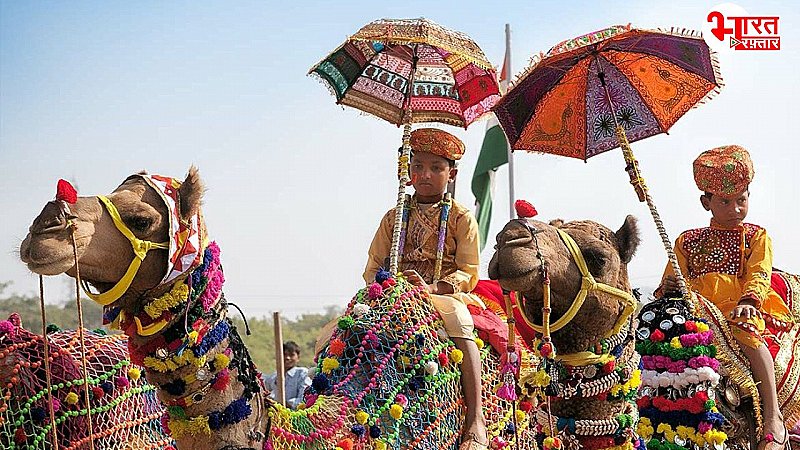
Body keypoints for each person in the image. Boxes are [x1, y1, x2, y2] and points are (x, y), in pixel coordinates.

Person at [659, 145, 794, 450]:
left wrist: (749, 302)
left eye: (741, 200)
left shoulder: (756, 236)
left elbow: (759, 273)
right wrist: (670, 292)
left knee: (747, 334)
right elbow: (671, 281)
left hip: (741, 311)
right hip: (697, 312)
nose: (734, 209)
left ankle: (773, 417)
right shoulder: (687, 241)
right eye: (724, 201)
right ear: (706, 202)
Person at [364, 128, 488, 450]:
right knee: (336, 332)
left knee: (460, 321)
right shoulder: (393, 218)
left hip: (443, 295)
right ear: (406, 170)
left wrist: (433, 286)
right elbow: (372, 267)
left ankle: (475, 420)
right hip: (393, 295)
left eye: (436, 167)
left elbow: (469, 270)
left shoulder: (462, 218)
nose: (425, 175)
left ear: (452, 173)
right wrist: (389, 284)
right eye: (417, 166)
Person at [263, 341, 311, 409]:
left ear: (298, 357)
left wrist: (286, 404)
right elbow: (264, 388)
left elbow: (305, 399)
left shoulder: (302, 373)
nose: (287, 358)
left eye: (291, 355)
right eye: (284, 354)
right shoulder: (274, 376)